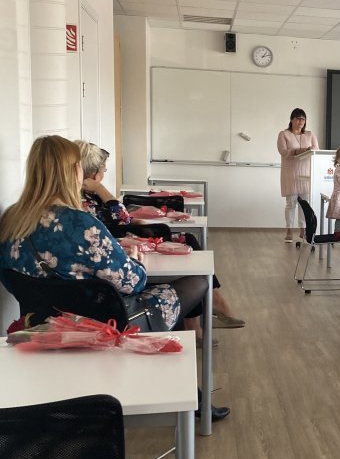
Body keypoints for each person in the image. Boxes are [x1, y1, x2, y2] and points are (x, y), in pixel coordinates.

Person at [0, 137, 230, 419]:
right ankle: (184, 396)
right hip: (104, 325)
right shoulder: (79, 223)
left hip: (39, 324)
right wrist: (135, 258)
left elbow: (11, 280)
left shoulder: (11, 219)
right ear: (74, 171)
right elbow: (133, 282)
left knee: (170, 299)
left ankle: (184, 391)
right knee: (197, 283)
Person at [75, 141, 245, 334]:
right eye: (103, 171)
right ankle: (207, 310)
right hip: (125, 254)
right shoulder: (85, 202)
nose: (104, 175)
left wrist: (129, 219)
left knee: (188, 240)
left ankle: (204, 313)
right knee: (189, 251)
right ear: (94, 174)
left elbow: (123, 219)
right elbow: (121, 218)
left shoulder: (86, 197)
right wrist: (101, 189)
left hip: (127, 245)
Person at [277, 107, 319, 242]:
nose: (301, 121)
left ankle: (303, 231)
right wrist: (298, 151)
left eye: (303, 119)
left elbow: (316, 150)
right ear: (291, 119)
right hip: (290, 174)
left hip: (306, 174)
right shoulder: (284, 134)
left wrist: (308, 150)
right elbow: (283, 151)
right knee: (291, 203)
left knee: (305, 204)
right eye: (298, 118)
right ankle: (289, 230)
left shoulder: (310, 134)